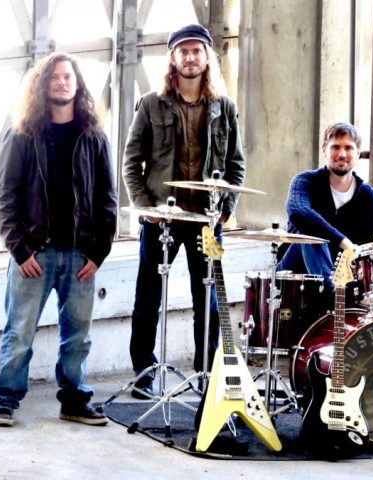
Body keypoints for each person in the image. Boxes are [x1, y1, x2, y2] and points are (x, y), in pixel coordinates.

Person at [0, 52, 118, 427]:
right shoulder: (21, 134)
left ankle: (74, 402)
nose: (62, 82)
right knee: (19, 332)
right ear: (42, 85)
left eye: (68, 77)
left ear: (77, 85)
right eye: (54, 77)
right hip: (34, 254)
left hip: (80, 256)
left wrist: (99, 252)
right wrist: (19, 250)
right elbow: (4, 196)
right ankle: (4, 400)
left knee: (78, 338)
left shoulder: (94, 136)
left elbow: (108, 199)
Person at [123, 24, 245, 397]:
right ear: (173, 58)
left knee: (208, 299)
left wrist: (226, 208)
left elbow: (236, 165)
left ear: (207, 57)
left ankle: (207, 374)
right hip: (162, 218)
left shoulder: (224, 107)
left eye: (197, 50)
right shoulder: (151, 103)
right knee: (148, 297)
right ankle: (144, 373)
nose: (190, 57)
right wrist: (145, 207)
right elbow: (131, 162)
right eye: (183, 51)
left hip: (206, 220)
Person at [277, 122, 373, 301]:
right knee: (311, 234)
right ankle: (331, 294)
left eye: (348, 148)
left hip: (346, 279)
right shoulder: (305, 181)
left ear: (358, 153)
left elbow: (372, 249)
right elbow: (298, 212)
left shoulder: (369, 197)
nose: (342, 154)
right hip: (293, 275)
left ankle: (336, 295)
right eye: (335, 147)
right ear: (324, 150)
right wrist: (343, 241)